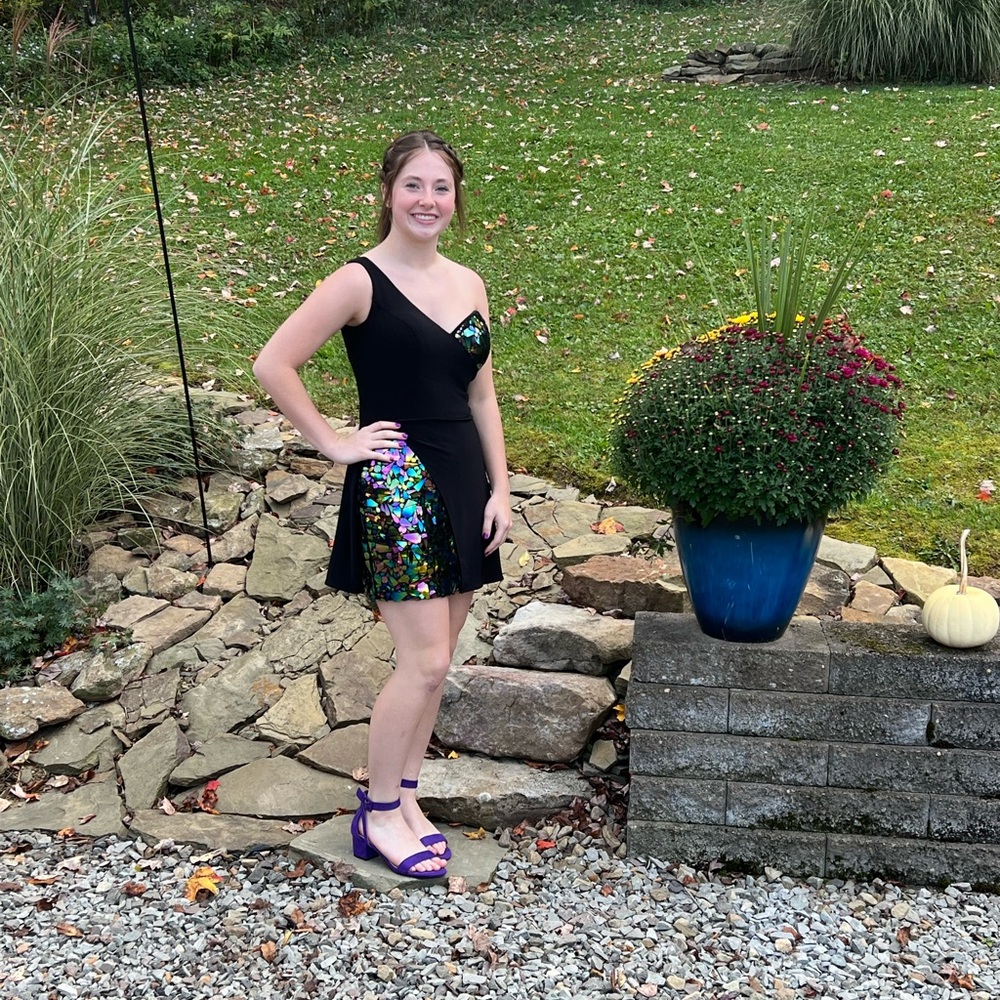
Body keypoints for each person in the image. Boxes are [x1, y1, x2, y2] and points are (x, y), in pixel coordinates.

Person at [253, 131, 511, 878]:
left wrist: (501, 486)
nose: (429, 200)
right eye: (414, 186)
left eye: (442, 187)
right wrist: (334, 441)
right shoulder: (358, 281)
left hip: (464, 480)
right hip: (396, 485)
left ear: (455, 199)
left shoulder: (469, 282)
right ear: (389, 193)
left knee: (439, 661)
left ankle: (405, 798)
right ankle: (374, 814)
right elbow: (274, 362)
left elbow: (482, 391)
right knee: (423, 662)